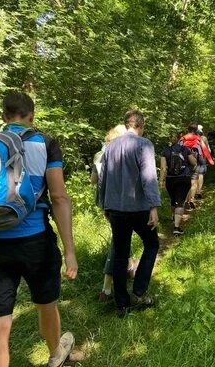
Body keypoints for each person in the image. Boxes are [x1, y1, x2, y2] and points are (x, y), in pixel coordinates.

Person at [0, 92, 78, 367]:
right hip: (36, 242)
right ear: (31, 117)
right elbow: (58, 197)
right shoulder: (44, 143)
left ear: (4, 117)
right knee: (46, 304)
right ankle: (56, 353)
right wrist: (70, 252)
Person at [99, 110, 160, 317]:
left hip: (116, 209)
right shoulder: (144, 144)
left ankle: (122, 305)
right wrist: (154, 207)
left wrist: (104, 205)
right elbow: (149, 177)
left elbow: (103, 178)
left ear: (126, 125)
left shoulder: (110, 146)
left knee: (120, 253)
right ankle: (139, 291)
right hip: (139, 208)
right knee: (152, 244)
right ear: (140, 126)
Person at [90, 125, 137, 302]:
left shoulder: (100, 153)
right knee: (117, 241)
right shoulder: (123, 152)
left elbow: (93, 180)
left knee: (122, 236)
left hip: (104, 202)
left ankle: (130, 266)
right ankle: (107, 288)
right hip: (121, 203)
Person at [160, 133, 197, 235]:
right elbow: (194, 163)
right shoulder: (185, 149)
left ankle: (174, 218)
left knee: (173, 200)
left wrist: (161, 181)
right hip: (184, 178)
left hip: (170, 179)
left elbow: (163, 168)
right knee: (180, 202)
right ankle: (176, 227)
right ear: (179, 138)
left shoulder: (165, 151)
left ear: (170, 139)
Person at [180, 123, 214, 210]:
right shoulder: (199, 139)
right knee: (193, 182)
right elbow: (205, 151)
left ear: (188, 129)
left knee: (185, 182)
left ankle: (185, 200)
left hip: (184, 162)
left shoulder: (183, 138)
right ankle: (191, 199)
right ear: (196, 131)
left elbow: (177, 149)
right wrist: (210, 160)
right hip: (195, 162)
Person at [195, 125, 212, 200]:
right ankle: (199, 191)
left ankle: (193, 190)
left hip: (193, 157)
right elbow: (209, 150)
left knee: (194, 173)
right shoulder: (204, 138)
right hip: (202, 157)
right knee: (201, 173)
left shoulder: (192, 138)